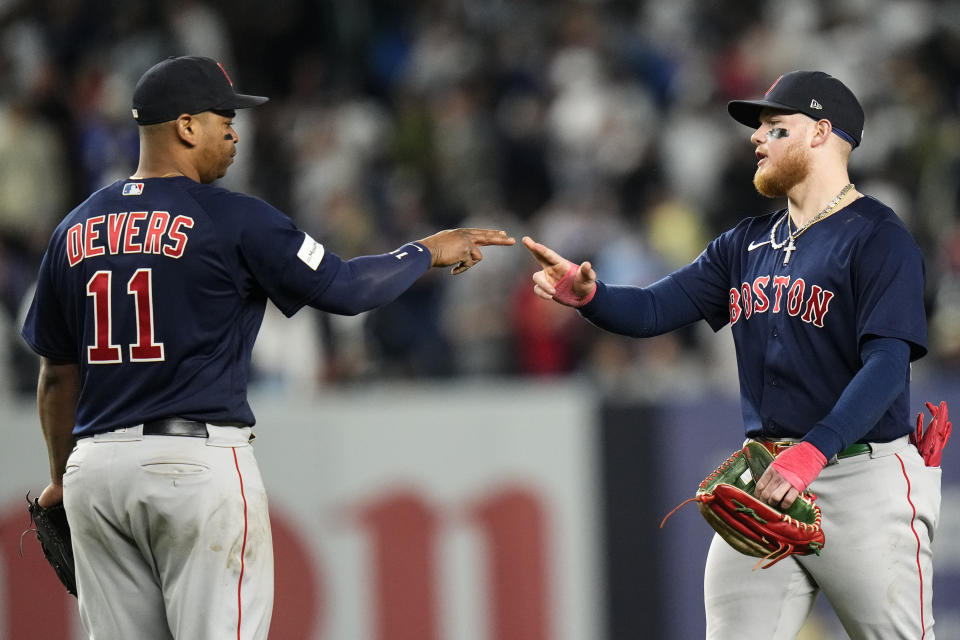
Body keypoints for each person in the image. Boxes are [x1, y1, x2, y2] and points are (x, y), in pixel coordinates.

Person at [20, 55, 515, 639]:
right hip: (192, 466)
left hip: (94, 475)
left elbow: (56, 376)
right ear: (185, 127)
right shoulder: (234, 218)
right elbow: (347, 289)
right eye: (223, 118)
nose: (234, 132)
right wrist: (426, 250)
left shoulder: (73, 229)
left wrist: (61, 476)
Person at [523, 71, 941, 638]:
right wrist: (591, 297)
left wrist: (813, 451)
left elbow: (889, 365)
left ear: (821, 133)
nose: (756, 138)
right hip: (765, 477)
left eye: (775, 127)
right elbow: (652, 311)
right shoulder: (745, 242)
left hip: (859, 479)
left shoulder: (877, 236)